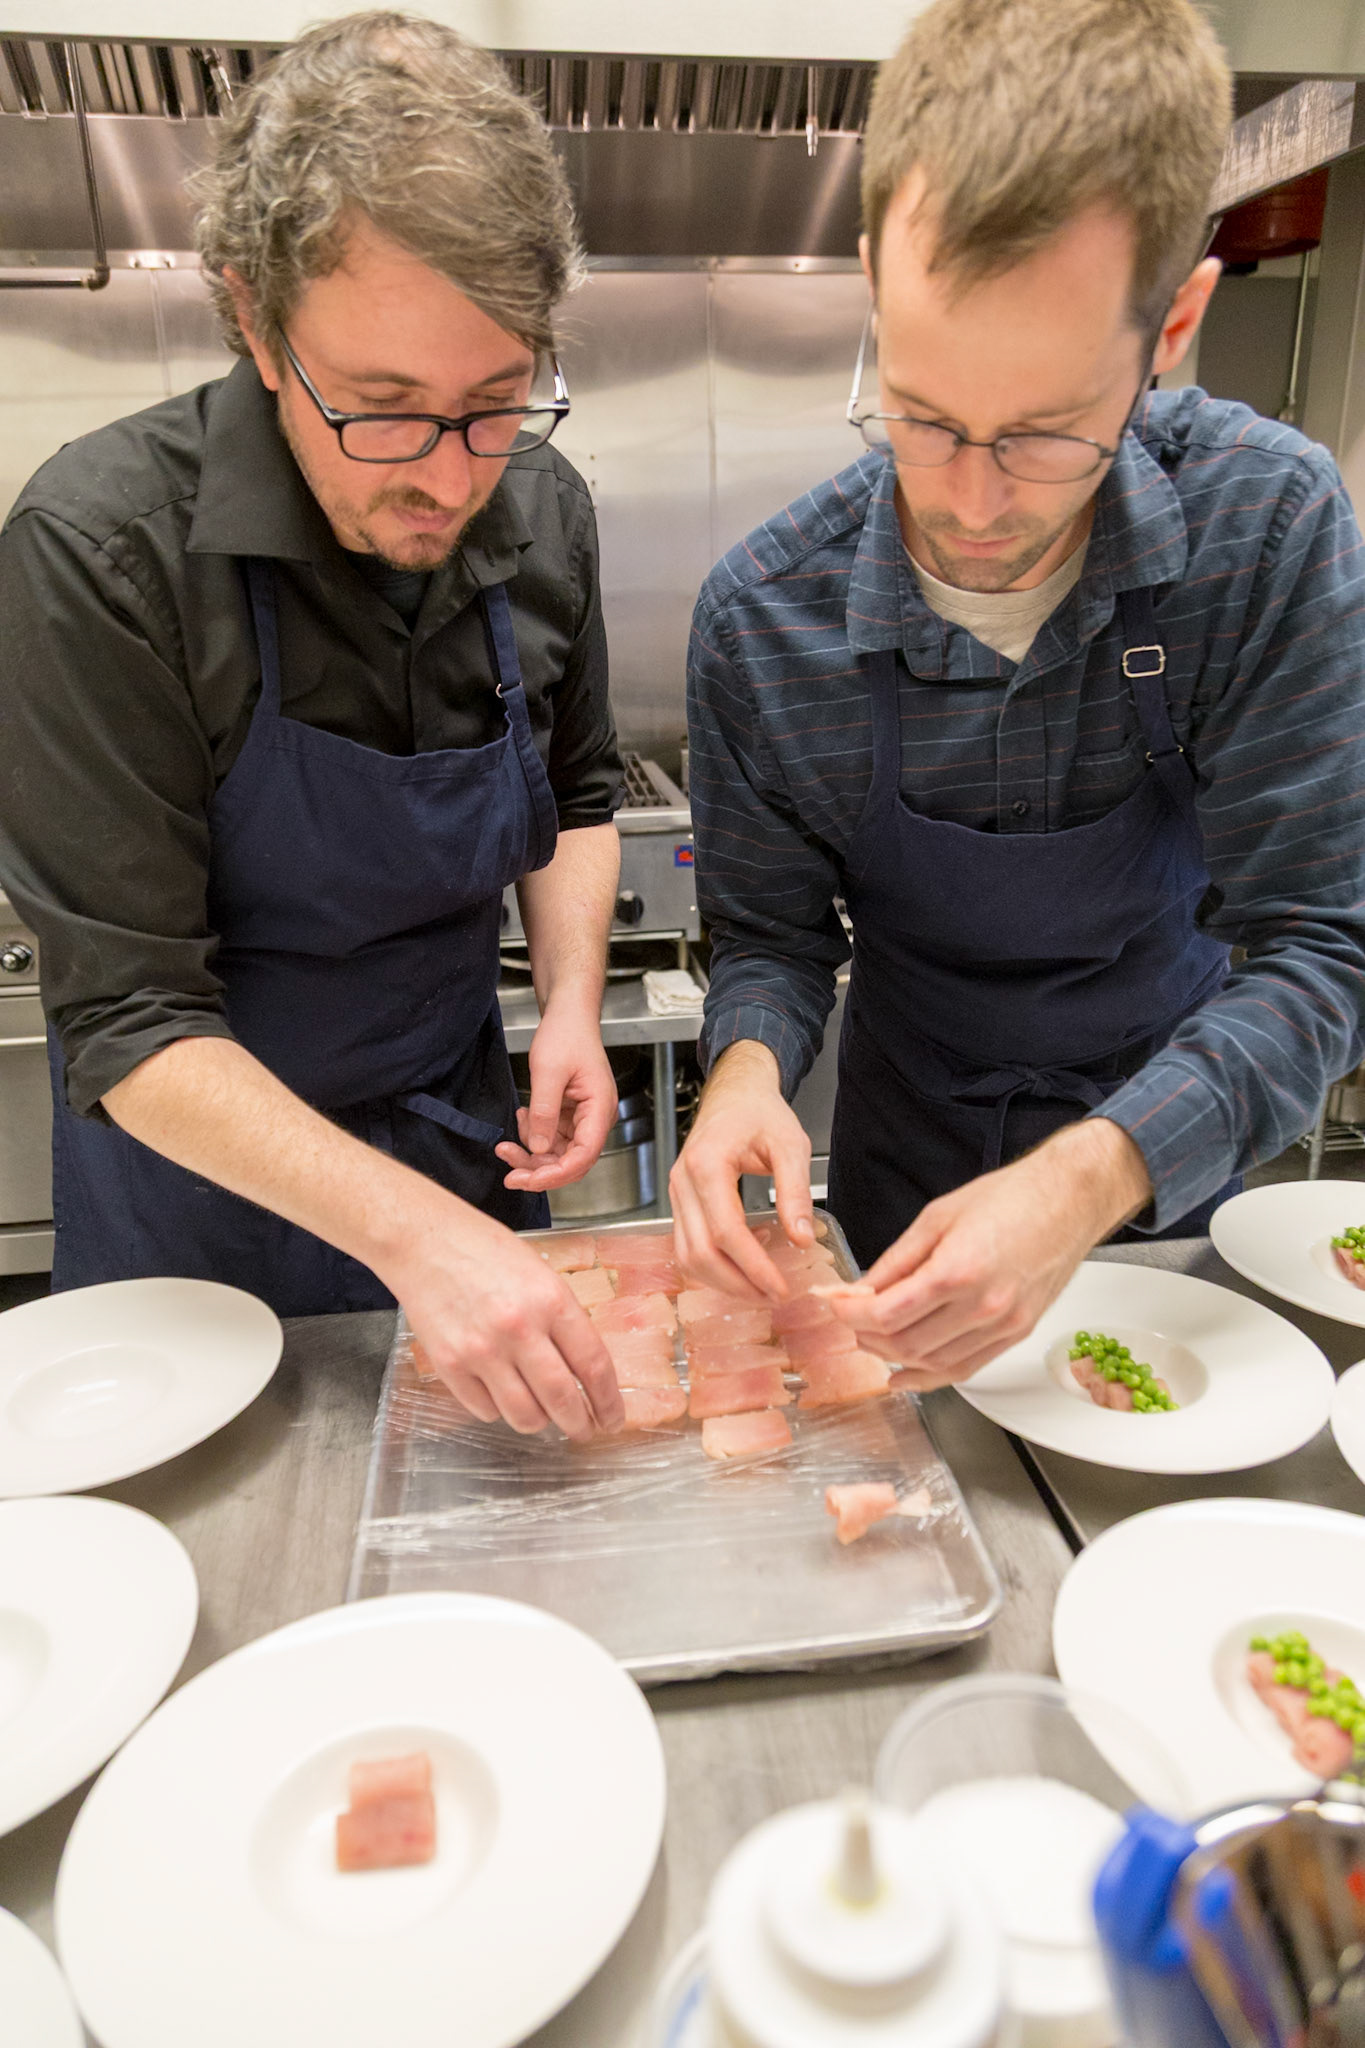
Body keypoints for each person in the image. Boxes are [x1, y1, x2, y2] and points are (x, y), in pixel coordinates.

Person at [671, 0, 1365, 1386]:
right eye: (921, 418)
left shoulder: (1264, 529)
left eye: (1043, 433)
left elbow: (1321, 947)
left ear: (1171, 322)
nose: (971, 504)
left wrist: (1089, 1177)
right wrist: (746, 1071)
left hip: (1174, 1188)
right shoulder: (765, 618)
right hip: (899, 1174)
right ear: (873, 277)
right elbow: (769, 940)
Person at [0, 12, 626, 1439]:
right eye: (384, 411)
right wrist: (407, 1236)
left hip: (456, 1167)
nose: (448, 476)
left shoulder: (546, 512)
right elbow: (126, 1014)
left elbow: (580, 794)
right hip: (195, 1228)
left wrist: (574, 1010)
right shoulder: (103, 553)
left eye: (493, 403)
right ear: (254, 321)